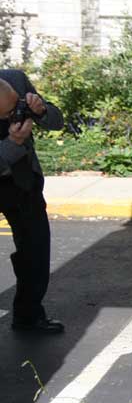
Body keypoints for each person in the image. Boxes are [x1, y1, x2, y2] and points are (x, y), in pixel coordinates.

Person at [0, 69, 65, 333]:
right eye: (4, 115)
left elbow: (57, 121)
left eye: (14, 108)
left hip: (22, 183)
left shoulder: (15, 79)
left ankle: (28, 315)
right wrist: (13, 142)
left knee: (36, 251)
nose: (10, 117)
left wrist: (41, 111)